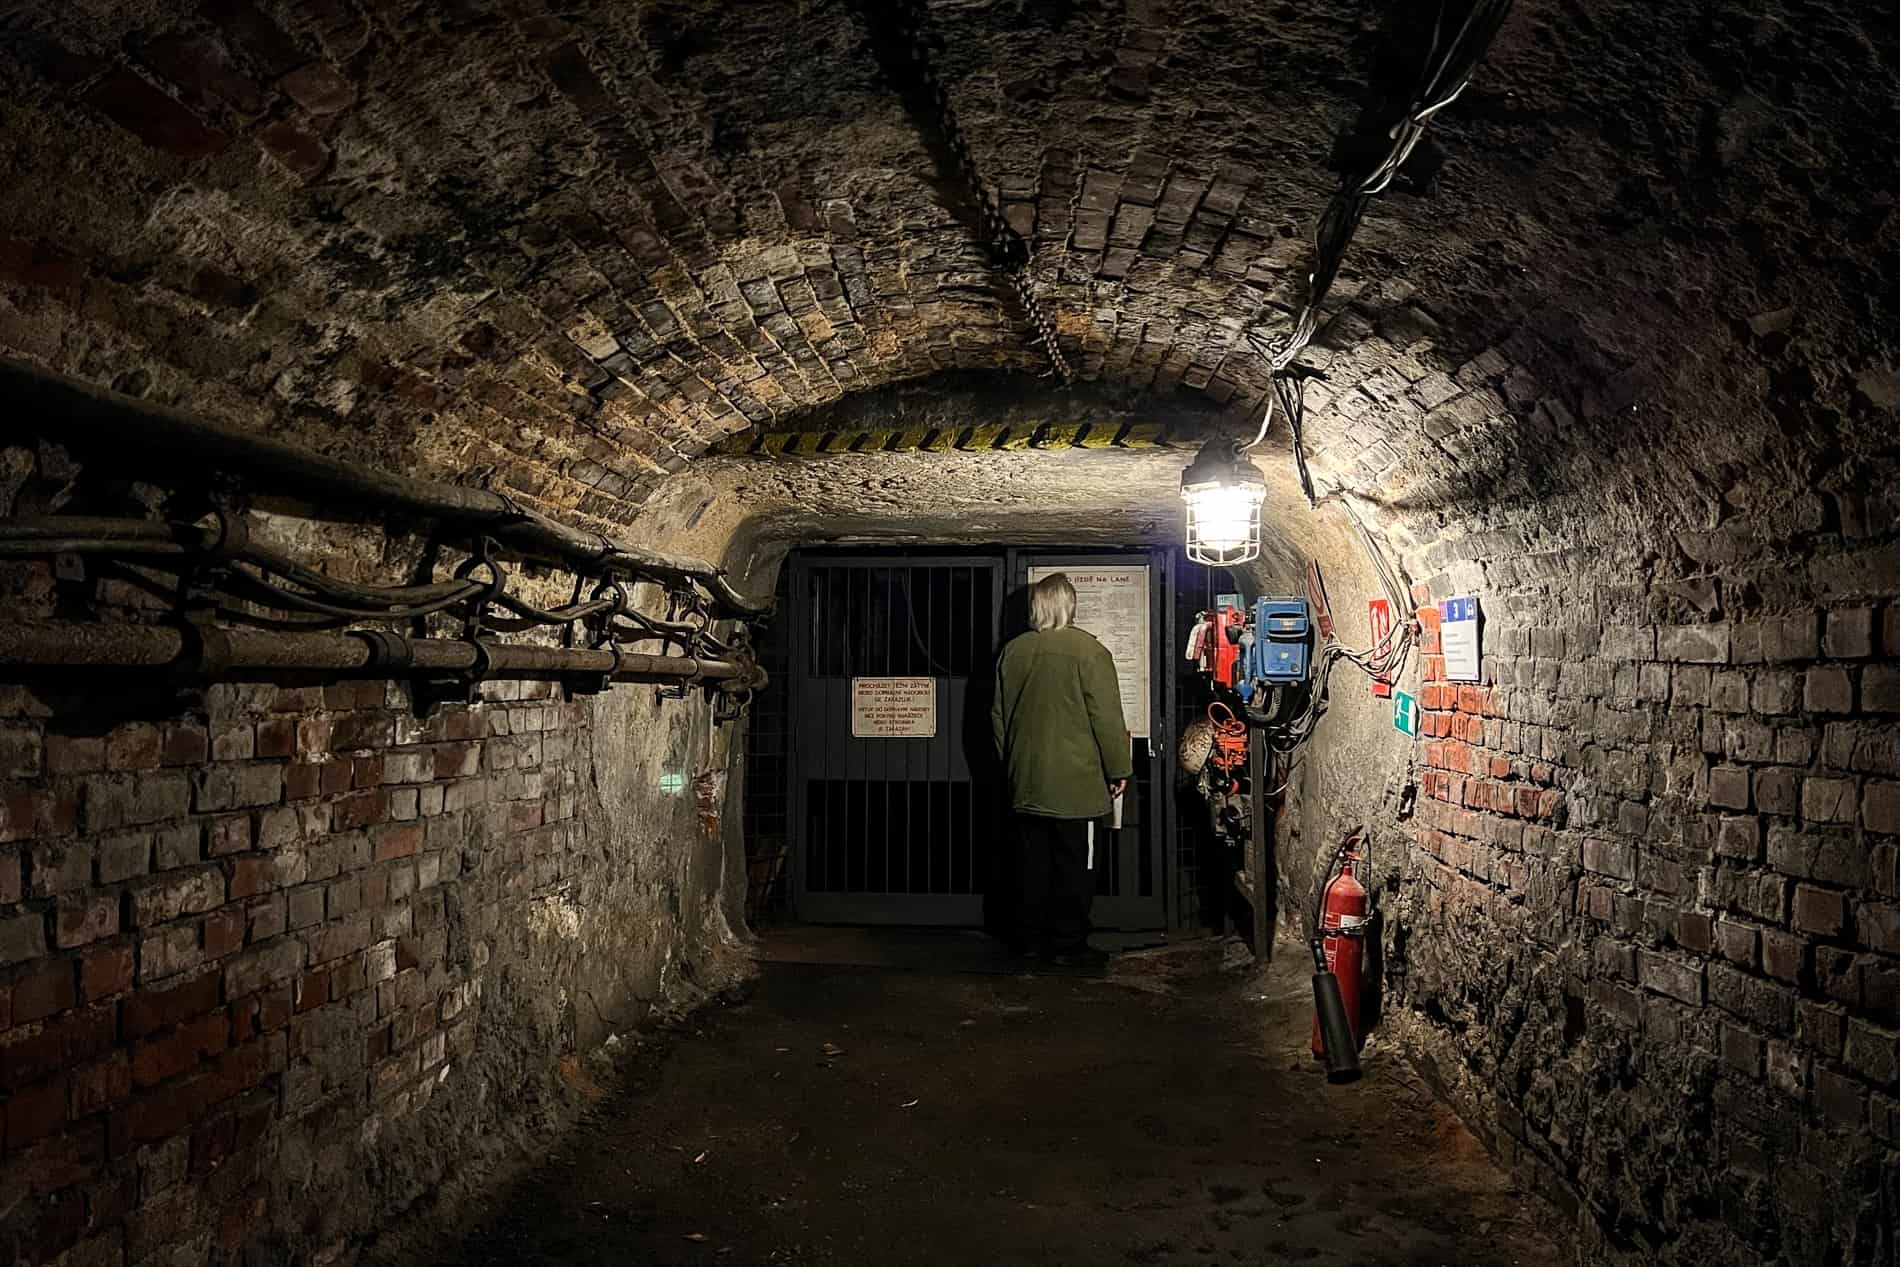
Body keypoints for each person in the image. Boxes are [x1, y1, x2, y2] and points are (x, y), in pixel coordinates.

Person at [990, 573, 1132, 968]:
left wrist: (1016, 765)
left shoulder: (1013, 652)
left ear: (1036, 606)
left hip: (1027, 783)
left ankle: (1030, 943)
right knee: (1077, 868)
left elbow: (998, 718)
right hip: (1078, 786)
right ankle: (1069, 945)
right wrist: (1118, 768)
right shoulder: (1089, 652)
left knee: (1030, 866)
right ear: (1070, 605)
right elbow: (1105, 717)